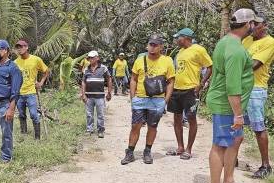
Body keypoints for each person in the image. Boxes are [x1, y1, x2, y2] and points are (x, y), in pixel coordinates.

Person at [205, 8, 256, 183]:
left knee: (237, 139)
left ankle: (229, 181)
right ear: (247, 25)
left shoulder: (228, 41)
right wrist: (237, 114)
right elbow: (232, 86)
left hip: (232, 105)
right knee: (221, 144)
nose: (254, 26)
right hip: (226, 105)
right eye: (253, 23)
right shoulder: (234, 49)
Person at [121, 34, 175, 165]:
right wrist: (133, 97)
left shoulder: (167, 61)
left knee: (152, 126)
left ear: (161, 47)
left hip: (157, 100)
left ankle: (147, 151)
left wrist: (165, 100)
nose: (152, 47)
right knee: (135, 126)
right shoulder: (140, 60)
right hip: (140, 99)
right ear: (147, 45)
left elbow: (171, 81)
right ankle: (130, 152)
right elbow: (133, 79)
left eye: (156, 45)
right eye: (151, 44)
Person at [167, 28, 213, 160]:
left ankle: (188, 149)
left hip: (190, 90)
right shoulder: (180, 52)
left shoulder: (198, 49)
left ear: (186, 38)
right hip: (177, 89)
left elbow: (210, 67)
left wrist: (201, 83)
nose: (176, 40)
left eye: (178, 38)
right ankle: (180, 147)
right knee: (177, 119)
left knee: (191, 118)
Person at [242, 16, 274, 178]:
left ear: (265, 26)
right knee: (237, 125)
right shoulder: (246, 40)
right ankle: (232, 158)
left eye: (256, 23)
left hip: (255, 89)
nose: (252, 26)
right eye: (251, 23)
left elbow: (255, 65)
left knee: (258, 127)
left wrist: (235, 67)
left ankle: (265, 165)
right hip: (240, 88)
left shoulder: (269, 42)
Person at [13, 40, 50, 139]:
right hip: (19, 93)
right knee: (21, 114)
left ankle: (37, 136)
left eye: (21, 47)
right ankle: (24, 133)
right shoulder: (15, 62)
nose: (19, 49)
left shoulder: (36, 60)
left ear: (27, 47)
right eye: (18, 47)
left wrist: (41, 82)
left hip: (31, 92)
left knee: (33, 114)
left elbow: (46, 71)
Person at [81, 50, 112, 137]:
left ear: (97, 58)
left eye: (92, 57)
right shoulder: (86, 69)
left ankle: (100, 130)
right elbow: (83, 82)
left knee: (100, 114)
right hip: (89, 96)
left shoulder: (103, 68)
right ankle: (89, 129)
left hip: (100, 96)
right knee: (89, 114)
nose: (90, 59)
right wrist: (83, 94)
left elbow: (109, 79)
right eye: (89, 58)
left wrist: (109, 92)